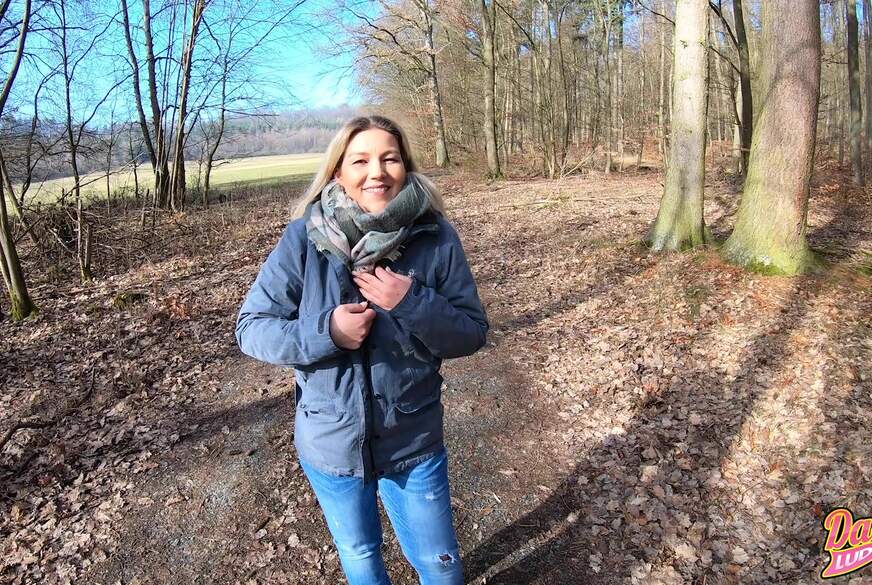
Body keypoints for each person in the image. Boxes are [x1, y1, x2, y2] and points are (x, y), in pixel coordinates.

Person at [235, 115, 489, 585]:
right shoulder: (303, 239)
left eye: (389, 158)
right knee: (360, 554)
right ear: (338, 171)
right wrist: (327, 331)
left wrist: (411, 302)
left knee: (440, 562)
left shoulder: (435, 237)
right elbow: (252, 328)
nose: (377, 172)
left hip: (413, 439)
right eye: (361, 161)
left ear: (405, 166)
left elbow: (471, 332)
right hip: (330, 442)